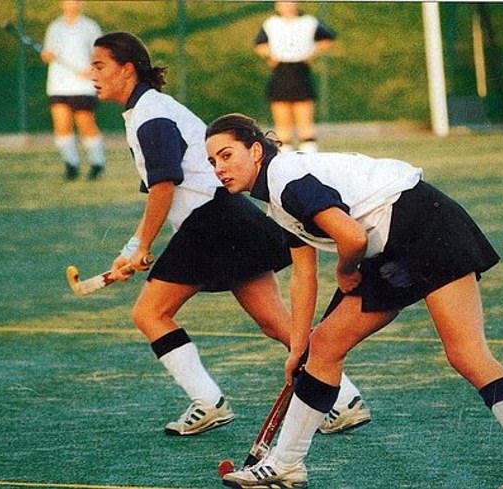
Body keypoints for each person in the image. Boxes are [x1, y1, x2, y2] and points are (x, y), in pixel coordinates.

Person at [205, 113, 503, 489]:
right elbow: (304, 275)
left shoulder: (286, 180)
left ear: (255, 151)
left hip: (422, 227)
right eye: (212, 161)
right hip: (404, 232)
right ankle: (285, 464)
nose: (219, 168)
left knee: (467, 354)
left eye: (226, 155)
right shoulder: (276, 200)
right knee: (325, 345)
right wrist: (298, 344)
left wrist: (347, 270)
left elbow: (351, 237)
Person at [89, 32, 370, 437]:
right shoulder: (146, 112)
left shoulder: (151, 115)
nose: (92, 74)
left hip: (213, 223)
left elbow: (165, 186)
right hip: (226, 218)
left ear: (127, 69)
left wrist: (139, 245)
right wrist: (143, 246)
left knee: (150, 313)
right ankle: (344, 400)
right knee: (277, 323)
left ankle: (207, 401)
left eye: (100, 66)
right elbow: (168, 190)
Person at [254, 1, 335, 153]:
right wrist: (270, 56)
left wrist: (312, 54)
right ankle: (285, 157)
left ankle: (310, 157)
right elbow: (259, 45)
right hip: (281, 72)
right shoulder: (271, 23)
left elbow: (328, 39)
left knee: (304, 118)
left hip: (300, 71)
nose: (286, 5)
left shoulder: (309, 22)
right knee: (282, 120)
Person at [41, 0, 106, 181]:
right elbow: (47, 54)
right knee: (62, 125)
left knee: (85, 123)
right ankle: (71, 165)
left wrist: (92, 69)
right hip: (58, 84)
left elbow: (100, 54)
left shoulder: (90, 26)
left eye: (76, 1)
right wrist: (47, 55)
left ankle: (97, 164)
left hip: (82, 86)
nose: (72, 4)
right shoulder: (54, 27)